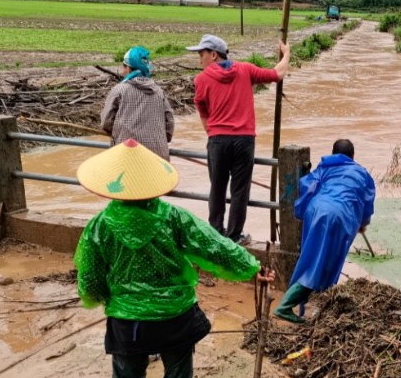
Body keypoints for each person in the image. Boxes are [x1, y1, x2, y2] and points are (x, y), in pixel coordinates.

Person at [73, 139, 272, 378]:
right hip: (175, 317)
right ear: (154, 184)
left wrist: (103, 299)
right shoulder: (173, 217)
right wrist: (251, 268)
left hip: (128, 322)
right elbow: (215, 246)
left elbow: (90, 278)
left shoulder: (99, 226)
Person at [188, 34, 291, 244]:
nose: (199, 59)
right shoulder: (245, 69)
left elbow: (204, 114)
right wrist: (287, 53)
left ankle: (216, 234)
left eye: (201, 54)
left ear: (214, 54)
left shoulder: (201, 79)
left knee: (216, 189)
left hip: (218, 139)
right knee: (239, 191)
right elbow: (277, 74)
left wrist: (214, 136)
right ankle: (234, 237)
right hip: (244, 140)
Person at [273, 139, 376, 323]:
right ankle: (285, 306)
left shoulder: (325, 167)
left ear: (333, 153)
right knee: (321, 264)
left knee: (311, 258)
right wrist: (363, 223)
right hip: (338, 215)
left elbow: (308, 186)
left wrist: (301, 211)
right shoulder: (362, 173)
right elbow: (367, 203)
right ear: (353, 156)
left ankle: (315, 305)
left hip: (315, 210)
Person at [100, 46, 175, 160]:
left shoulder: (119, 90)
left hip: (127, 154)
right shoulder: (159, 91)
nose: (123, 70)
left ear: (129, 69)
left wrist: (118, 134)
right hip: (157, 156)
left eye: (124, 66)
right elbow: (169, 123)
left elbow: (106, 122)